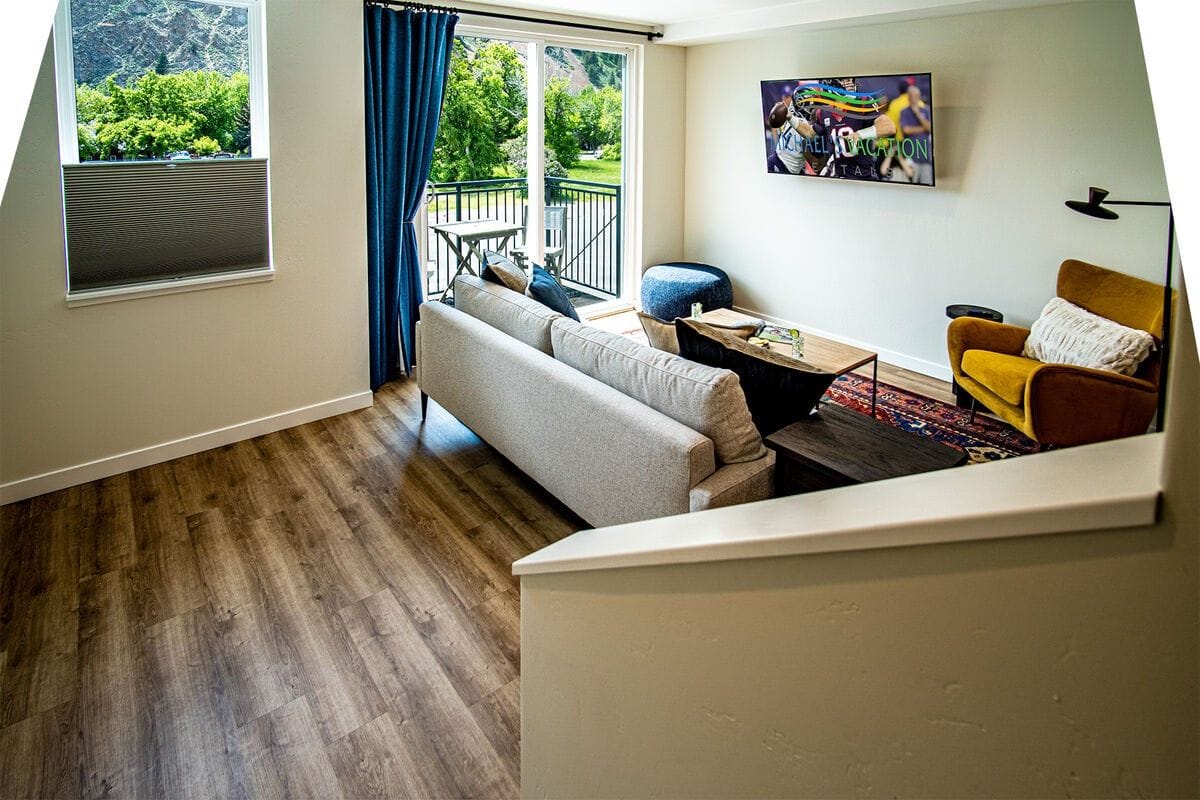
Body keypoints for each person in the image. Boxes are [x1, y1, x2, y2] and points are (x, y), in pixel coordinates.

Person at [793, 78, 896, 181]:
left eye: (851, 80)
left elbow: (889, 127)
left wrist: (859, 135)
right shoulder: (823, 112)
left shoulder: (863, 102)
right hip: (839, 179)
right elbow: (809, 133)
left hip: (864, 177)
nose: (850, 83)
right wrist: (790, 118)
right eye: (845, 80)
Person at [899, 83, 934, 184]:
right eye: (911, 96)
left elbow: (930, 128)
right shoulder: (904, 112)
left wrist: (918, 114)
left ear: (919, 97)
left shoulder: (925, 111)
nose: (913, 99)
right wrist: (923, 128)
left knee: (927, 183)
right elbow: (906, 130)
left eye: (915, 96)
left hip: (925, 157)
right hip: (911, 157)